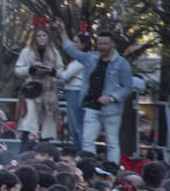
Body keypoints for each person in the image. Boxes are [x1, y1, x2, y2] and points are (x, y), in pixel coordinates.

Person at [56, 19, 135, 162]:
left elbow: (127, 87)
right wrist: (62, 31)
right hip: (91, 106)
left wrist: (111, 97)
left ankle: (112, 171)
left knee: (111, 143)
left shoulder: (122, 64)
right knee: (87, 142)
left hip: (111, 109)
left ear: (112, 45)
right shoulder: (90, 58)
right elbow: (70, 50)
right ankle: (90, 169)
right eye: (100, 43)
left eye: (105, 44)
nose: (102, 47)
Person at [15, 25, 64, 143]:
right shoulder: (27, 52)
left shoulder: (54, 53)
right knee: (28, 125)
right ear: (34, 37)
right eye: (38, 36)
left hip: (49, 93)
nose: (41, 38)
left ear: (48, 37)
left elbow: (62, 73)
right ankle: (25, 150)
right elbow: (17, 70)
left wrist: (53, 71)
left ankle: (44, 151)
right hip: (32, 91)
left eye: (44, 35)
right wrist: (30, 69)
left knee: (47, 125)